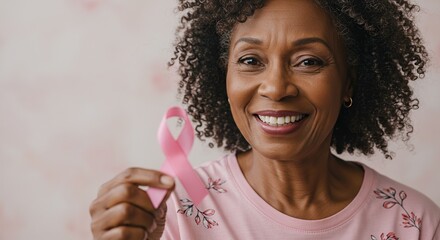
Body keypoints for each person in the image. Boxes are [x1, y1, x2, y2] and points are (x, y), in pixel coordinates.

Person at [89, 0, 440, 239]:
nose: (275, 87)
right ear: (223, 77)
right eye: (251, 61)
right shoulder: (170, 215)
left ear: (348, 82)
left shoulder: (414, 222)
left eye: (308, 61)